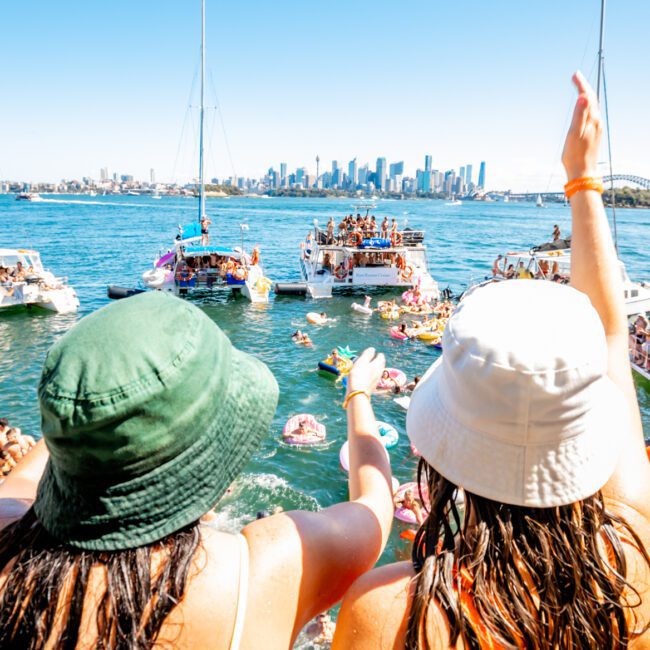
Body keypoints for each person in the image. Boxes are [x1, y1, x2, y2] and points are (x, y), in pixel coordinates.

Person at [333, 72, 650, 649]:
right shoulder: (633, 568)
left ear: (442, 456)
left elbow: (368, 506)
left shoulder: (389, 612)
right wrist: (584, 180)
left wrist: (358, 398)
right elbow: (610, 332)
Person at [0, 292, 394, 648]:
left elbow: (41, 460)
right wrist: (357, 392)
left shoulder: (8, 527)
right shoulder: (262, 572)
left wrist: (93, 408)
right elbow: (374, 503)